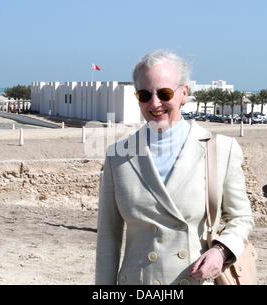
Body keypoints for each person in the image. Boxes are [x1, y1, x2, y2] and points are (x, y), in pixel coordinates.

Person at [95, 50, 254, 285]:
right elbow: (108, 239)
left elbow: (241, 218)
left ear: (183, 94)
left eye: (164, 93)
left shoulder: (220, 150)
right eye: (145, 95)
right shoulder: (117, 157)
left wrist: (221, 251)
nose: (155, 103)